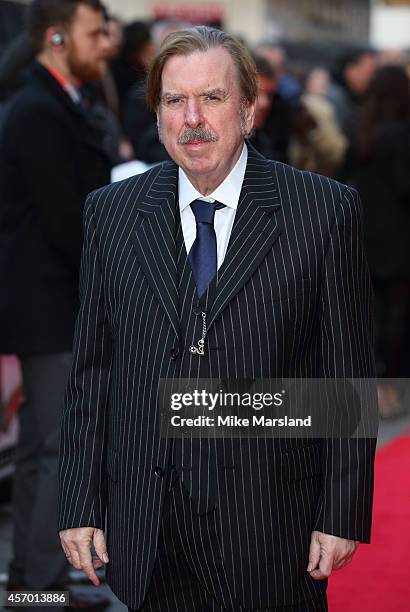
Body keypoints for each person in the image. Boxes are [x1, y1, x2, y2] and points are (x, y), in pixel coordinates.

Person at [58, 26, 376, 612]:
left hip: (271, 525)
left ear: (249, 109)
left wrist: (342, 511)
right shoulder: (112, 214)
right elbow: (92, 371)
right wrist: (80, 502)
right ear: (156, 117)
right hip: (147, 526)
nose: (192, 118)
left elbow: (345, 375)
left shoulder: (322, 211)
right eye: (174, 101)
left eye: (212, 97)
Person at [0, 0, 112, 605]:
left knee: (48, 448)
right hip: (49, 307)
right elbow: (66, 222)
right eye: (96, 32)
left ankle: (34, 578)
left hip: (55, 303)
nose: (108, 43)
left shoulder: (62, 105)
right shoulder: (39, 111)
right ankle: (38, 583)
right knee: (55, 448)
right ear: (56, 36)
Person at [344, 65, 410, 417]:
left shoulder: (360, 129)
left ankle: (373, 387)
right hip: (398, 240)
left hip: (364, 234)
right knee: (394, 318)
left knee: (369, 316)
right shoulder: (399, 135)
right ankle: (387, 389)